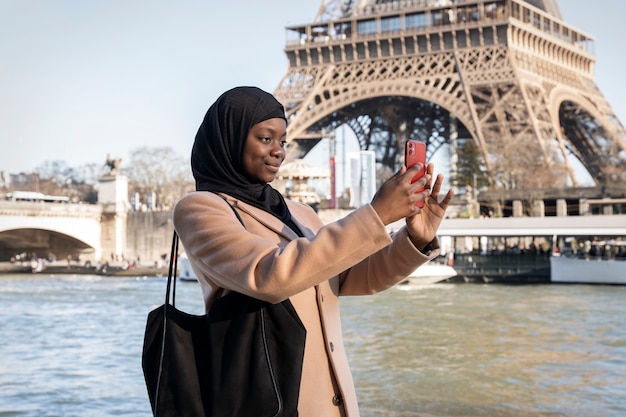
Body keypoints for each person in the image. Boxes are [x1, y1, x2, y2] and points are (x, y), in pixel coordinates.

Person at [173, 86, 454, 417]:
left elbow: (353, 276)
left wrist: (414, 238)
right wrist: (376, 214)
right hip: (267, 402)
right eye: (265, 138)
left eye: (282, 141)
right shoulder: (200, 209)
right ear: (230, 138)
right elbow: (269, 275)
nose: (278, 151)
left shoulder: (299, 212)